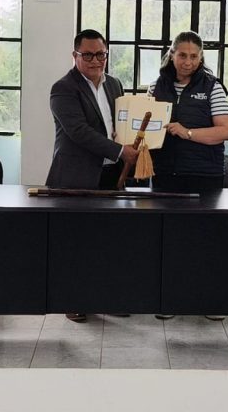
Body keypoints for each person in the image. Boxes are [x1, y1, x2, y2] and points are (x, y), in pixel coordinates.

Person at [46, 29, 139, 322]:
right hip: (76, 176)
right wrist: (120, 150)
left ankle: (105, 298)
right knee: (76, 241)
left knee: (109, 240)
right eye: (87, 55)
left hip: (111, 175)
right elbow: (78, 132)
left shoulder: (115, 84)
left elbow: (121, 123)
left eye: (101, 54)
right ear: (75, 56)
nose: (95, 60)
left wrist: (131, 141)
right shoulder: (63, 88)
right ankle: (73, 300)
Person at [147, 31, 228, 321]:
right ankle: (169, 299)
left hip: (204, 175)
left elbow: (224, 130)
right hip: (166, 174)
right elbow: (145, 126)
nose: (187, 61)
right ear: (171, 54)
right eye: (182, 55)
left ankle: (211, 301)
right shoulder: (156, 87)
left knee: (206, 239)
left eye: (194, 56)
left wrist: (187, 133)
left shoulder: (212, 87)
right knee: (169, 239)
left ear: (201, 57)